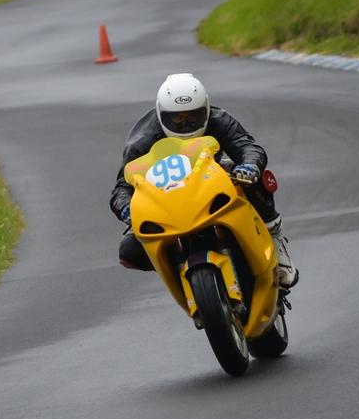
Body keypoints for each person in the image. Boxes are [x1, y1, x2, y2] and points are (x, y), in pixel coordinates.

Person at [109, 73, 298, 289]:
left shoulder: (218, 119)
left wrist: (249, 166)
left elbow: (247, 146)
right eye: (177, 118)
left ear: (206, 110)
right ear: (162, 115)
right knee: (129, 250)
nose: (185, 123)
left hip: (214, 180)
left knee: (257, 179)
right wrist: (126, 208)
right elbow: (121, 187)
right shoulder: (142, 139)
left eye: (193, 116)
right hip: (166, 197)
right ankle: (179, 270)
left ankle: (275, 240)